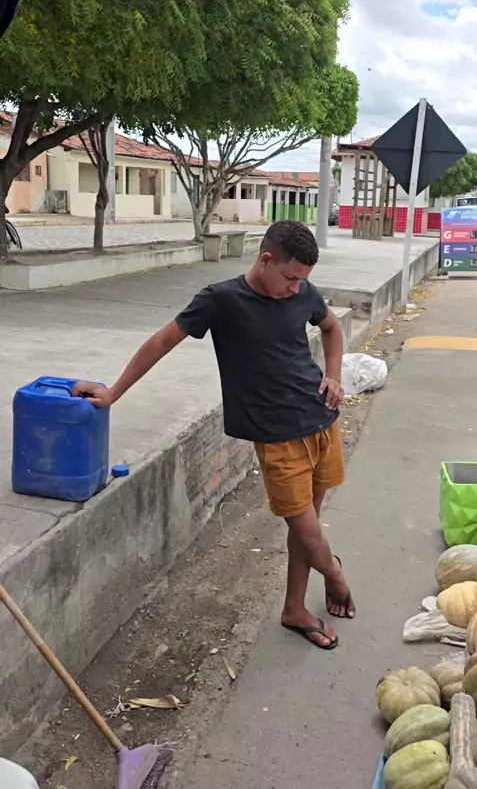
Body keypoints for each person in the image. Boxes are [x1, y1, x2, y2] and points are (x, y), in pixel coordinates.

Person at [73, 221, 355, 649]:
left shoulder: (303, 294)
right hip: (278, 437)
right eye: (289, 278)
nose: (295, 289)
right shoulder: (222, 299)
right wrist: (114, 392)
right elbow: (163, 341)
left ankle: (294, 609)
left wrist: (334, 375)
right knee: (310, 534)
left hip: (322, 420)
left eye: (301, 281)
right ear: (266, 261)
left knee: (307, 530)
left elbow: (331, 328)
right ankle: (335, 574)